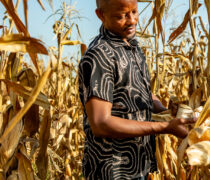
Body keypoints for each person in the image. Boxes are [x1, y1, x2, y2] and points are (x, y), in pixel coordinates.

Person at [78, 0, 196, 179]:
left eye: (134, 11)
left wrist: (165, 112)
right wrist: (164, 127)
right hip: (112, 169)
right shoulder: (99, 56)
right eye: (121, 16)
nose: (132, 20)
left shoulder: (132, 46)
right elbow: (101, 123)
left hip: (139, 165)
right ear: (101, 15)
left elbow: (141, 92)